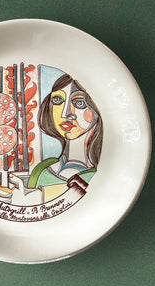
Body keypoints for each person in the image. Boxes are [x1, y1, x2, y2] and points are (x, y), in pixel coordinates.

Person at [27, 74, 102, 202]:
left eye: (79, 103)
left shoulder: (98, 175)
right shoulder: (41, 169)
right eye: (57, 101)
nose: (66, 113)